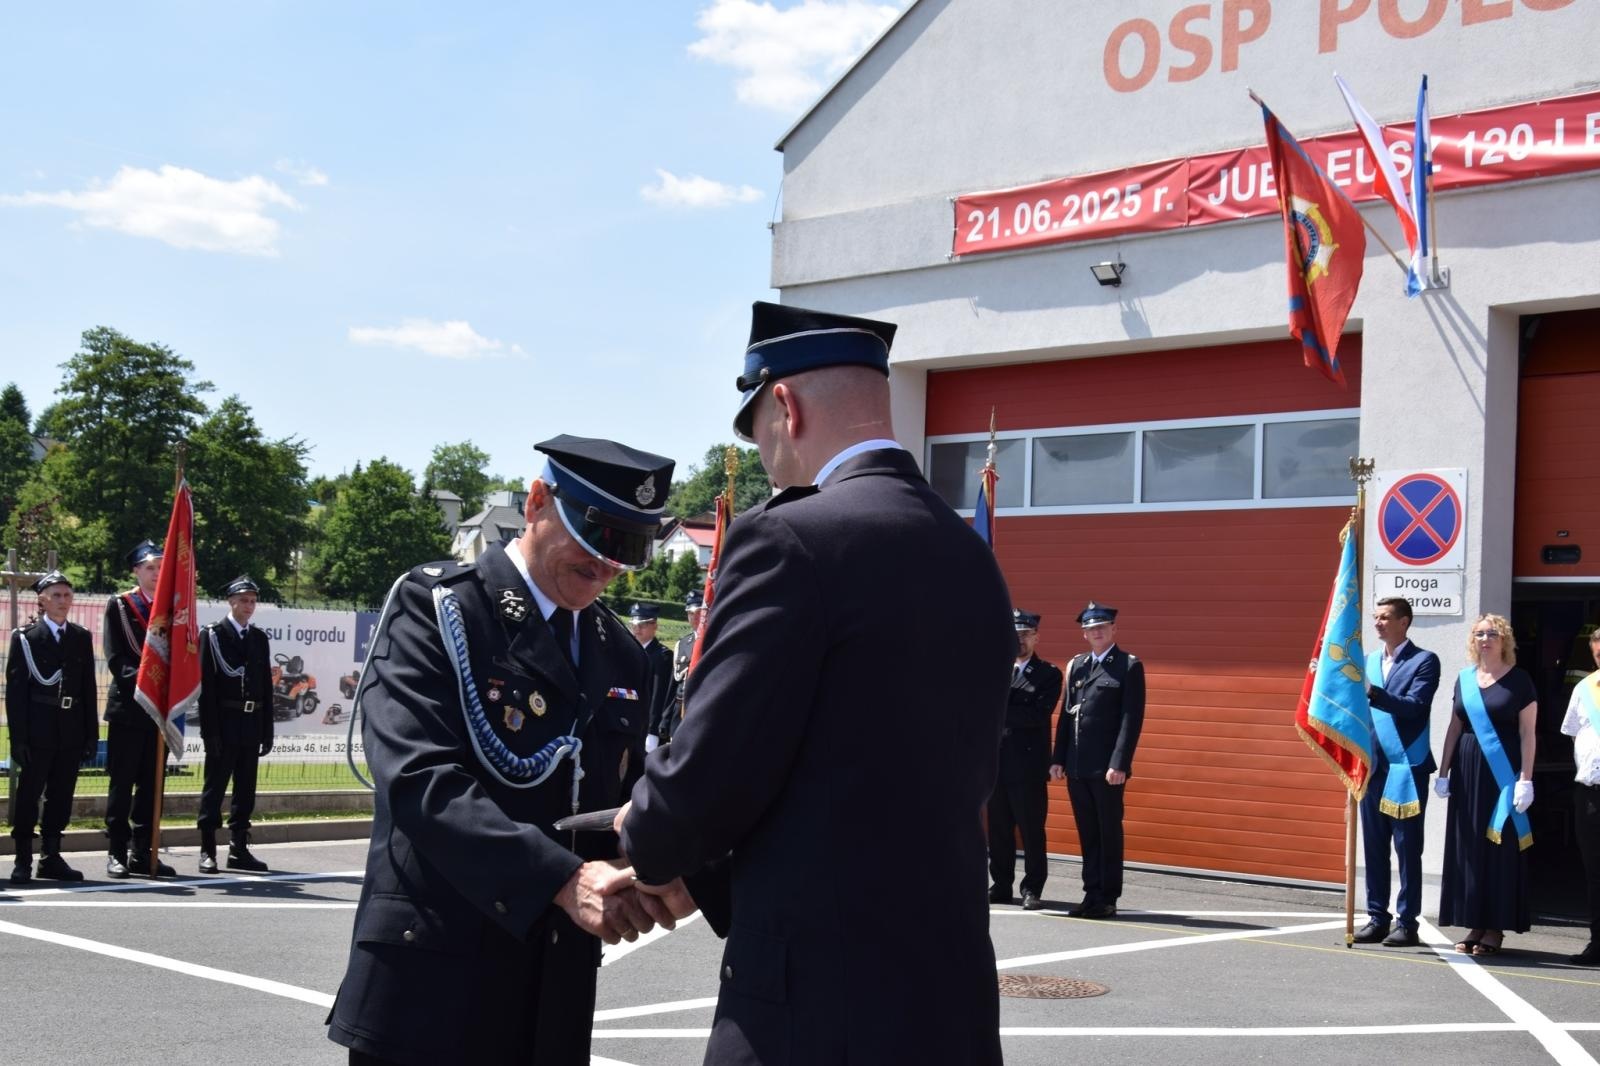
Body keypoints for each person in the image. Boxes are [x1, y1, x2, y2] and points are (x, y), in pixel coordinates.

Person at [618, 301, 1015, 1065]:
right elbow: (861, 788)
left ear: (785, 406)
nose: (767, 460)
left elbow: (711, 773)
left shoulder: (789, 539)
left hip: (812, 1014)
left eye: (758, 432)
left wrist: (645, 835)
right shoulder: (972, 559)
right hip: (947, 1004)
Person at [327, 435, 681, 1066]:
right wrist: (562, 879)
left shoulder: (619, 649)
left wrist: (654, 865)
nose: (605, 567)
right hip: (433, 983)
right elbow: (419, 780)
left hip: (554, 987)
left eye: (624, 554)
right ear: (538, 501)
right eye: (594, 540)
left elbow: (613, 801)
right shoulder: (438, 607)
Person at [1437, 612, 1537, 956]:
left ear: (1504, 639)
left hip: (1503, 773)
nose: (1485, 639)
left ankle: (1495, 927)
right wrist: (1444, 772)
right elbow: (1454, 727)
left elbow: (1528, 733)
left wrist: (1526, 778)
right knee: (1468, 847)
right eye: (1479, 633)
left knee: (1499, 846)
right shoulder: (1464, 679)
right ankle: (1474, 922)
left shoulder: (1520, 680)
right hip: (1466, 771)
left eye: (1492, 633)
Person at [1355, 596, 1441, 947]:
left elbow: (1415, 709)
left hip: (1405, 769)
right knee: (1374, 848)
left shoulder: (1424, 661)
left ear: (1404, 621)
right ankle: (1377, 917)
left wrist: (1373, 692)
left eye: (1386, 617)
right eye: (1375, 617)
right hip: (1373, 770)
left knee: (1408, 850)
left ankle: (1407, 922)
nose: (1378, 623)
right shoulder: (1368, 662)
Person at [1050, 601, 1145, 919]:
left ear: (1113, 629)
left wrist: (1119, 763)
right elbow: (1066, 716)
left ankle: (1107, 897)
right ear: (1084, 634)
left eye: (1101, 627)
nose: (1096, 633)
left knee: (1108, 831)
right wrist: (1058, 757)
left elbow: (1130, 720)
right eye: (1090, 629)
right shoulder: (1077, 665)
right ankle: (1090, 893)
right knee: (1087, 832)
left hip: (1107, 769)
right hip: (1078, 765)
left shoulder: (1128, 665)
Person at [7, 571, 97, 884]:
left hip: (70, 728)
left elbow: (87, 688)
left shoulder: (80, 636)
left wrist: (91, 734)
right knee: (29, 795)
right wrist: (18, 738)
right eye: (56, 595)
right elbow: (16, 692)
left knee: (61, 796)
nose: (63, 601)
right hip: (38, 729)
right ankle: (22, 859)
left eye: (67, 595)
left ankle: (51, 857)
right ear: (42, 600)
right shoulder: (26, 638)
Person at [102, 539, 174, 878]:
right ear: (136, 571)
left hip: (158, 712)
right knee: (123, 783)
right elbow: (118, 660)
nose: (156, 573)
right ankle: (116, 851)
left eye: (161, 568)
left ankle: (143, 852)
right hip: (130, 708)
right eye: (150, 568)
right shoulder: (120, 606)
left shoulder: (172, 610)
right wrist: (152, 686)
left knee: (152, 785)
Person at [196, 576, 275, 874]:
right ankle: (207, 849)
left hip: (251, 723)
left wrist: (267, 730)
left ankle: (239, 848)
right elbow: (207, 689)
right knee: (214, 789)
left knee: (245, 791)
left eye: (253, 601)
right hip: (225, 722)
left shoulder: (258, 639)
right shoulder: (214, 635)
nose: (249, 606)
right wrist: (210, 731)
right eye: (243, 600)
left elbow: (266, 689)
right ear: (231, 601)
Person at [989, 608, 1063, 910]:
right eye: (1014, 634)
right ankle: (1002, 884)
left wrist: (995, 711)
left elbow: (1037, 714)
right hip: (995, 766)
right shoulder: (994, 670)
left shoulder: (1048, 673)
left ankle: (1032, 888)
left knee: (1031, 831)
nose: (1019, 640)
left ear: (1036, 637)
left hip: (1028, 767)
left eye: (1025, 635)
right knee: (998, 830)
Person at [1560, 627, 1600, 966]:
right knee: (1594, 871)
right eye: (1598, 652)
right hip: (1589, 792)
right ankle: (1598, 942)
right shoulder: (1584, 688)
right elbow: (1574, 734)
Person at [628, 601, 675, 760]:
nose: (636, 629)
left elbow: (658, 695)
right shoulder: (629, 651)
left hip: (646, 726)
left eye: (641, 624)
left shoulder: (662, 656)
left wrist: (652, 730)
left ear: (654, 626)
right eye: (633, 624)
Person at [661, 587, 704, 746]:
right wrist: (665, 719)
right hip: (680, 715)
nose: (695, 617)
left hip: (704, 713)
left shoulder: (717, 641)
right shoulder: (683, 644)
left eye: (699, 612)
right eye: (690, 613)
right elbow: (674, 685)